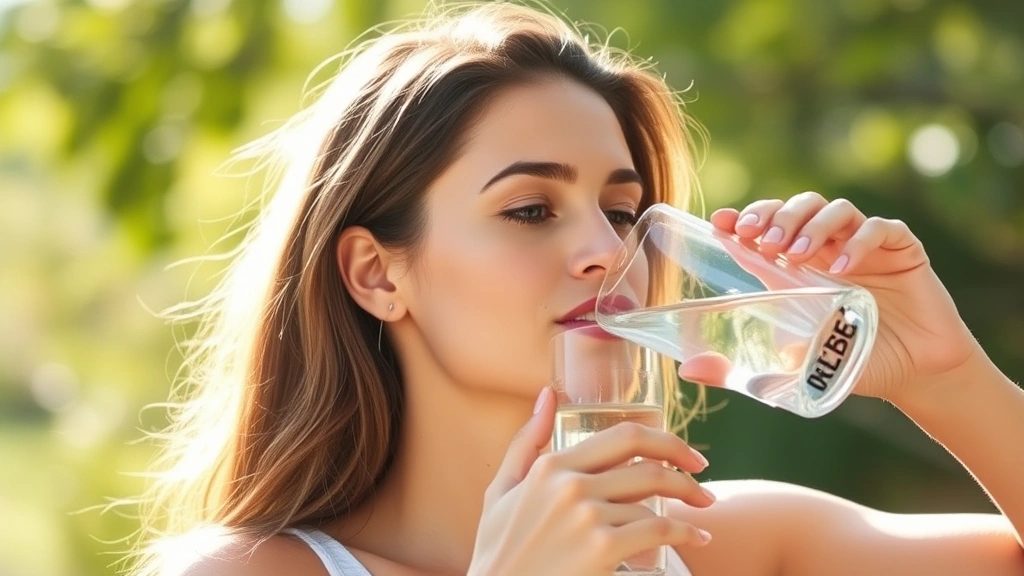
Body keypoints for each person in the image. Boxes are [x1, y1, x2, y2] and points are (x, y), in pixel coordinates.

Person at [127, 2, 1024, 575]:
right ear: (377, 273)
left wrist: (943, 376)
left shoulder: (716, 549)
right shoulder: (244, 573)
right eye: (529, 210)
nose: (604, 252)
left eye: (625, 211)